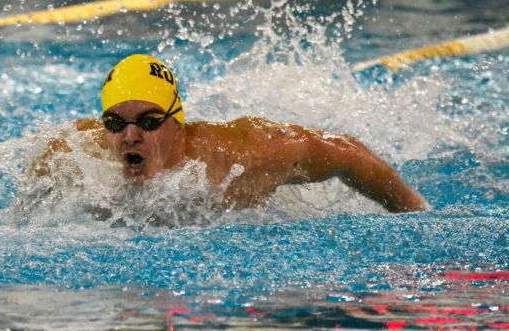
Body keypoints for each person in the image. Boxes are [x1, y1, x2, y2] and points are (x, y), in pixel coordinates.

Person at [31, 54, 428, 213]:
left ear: (176, 122)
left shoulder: (237, 160)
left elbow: (345, 153)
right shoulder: (79, 153)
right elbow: (36, 180)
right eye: (116, 123)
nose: (129, 136)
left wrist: (413, 213)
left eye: (149, 121)